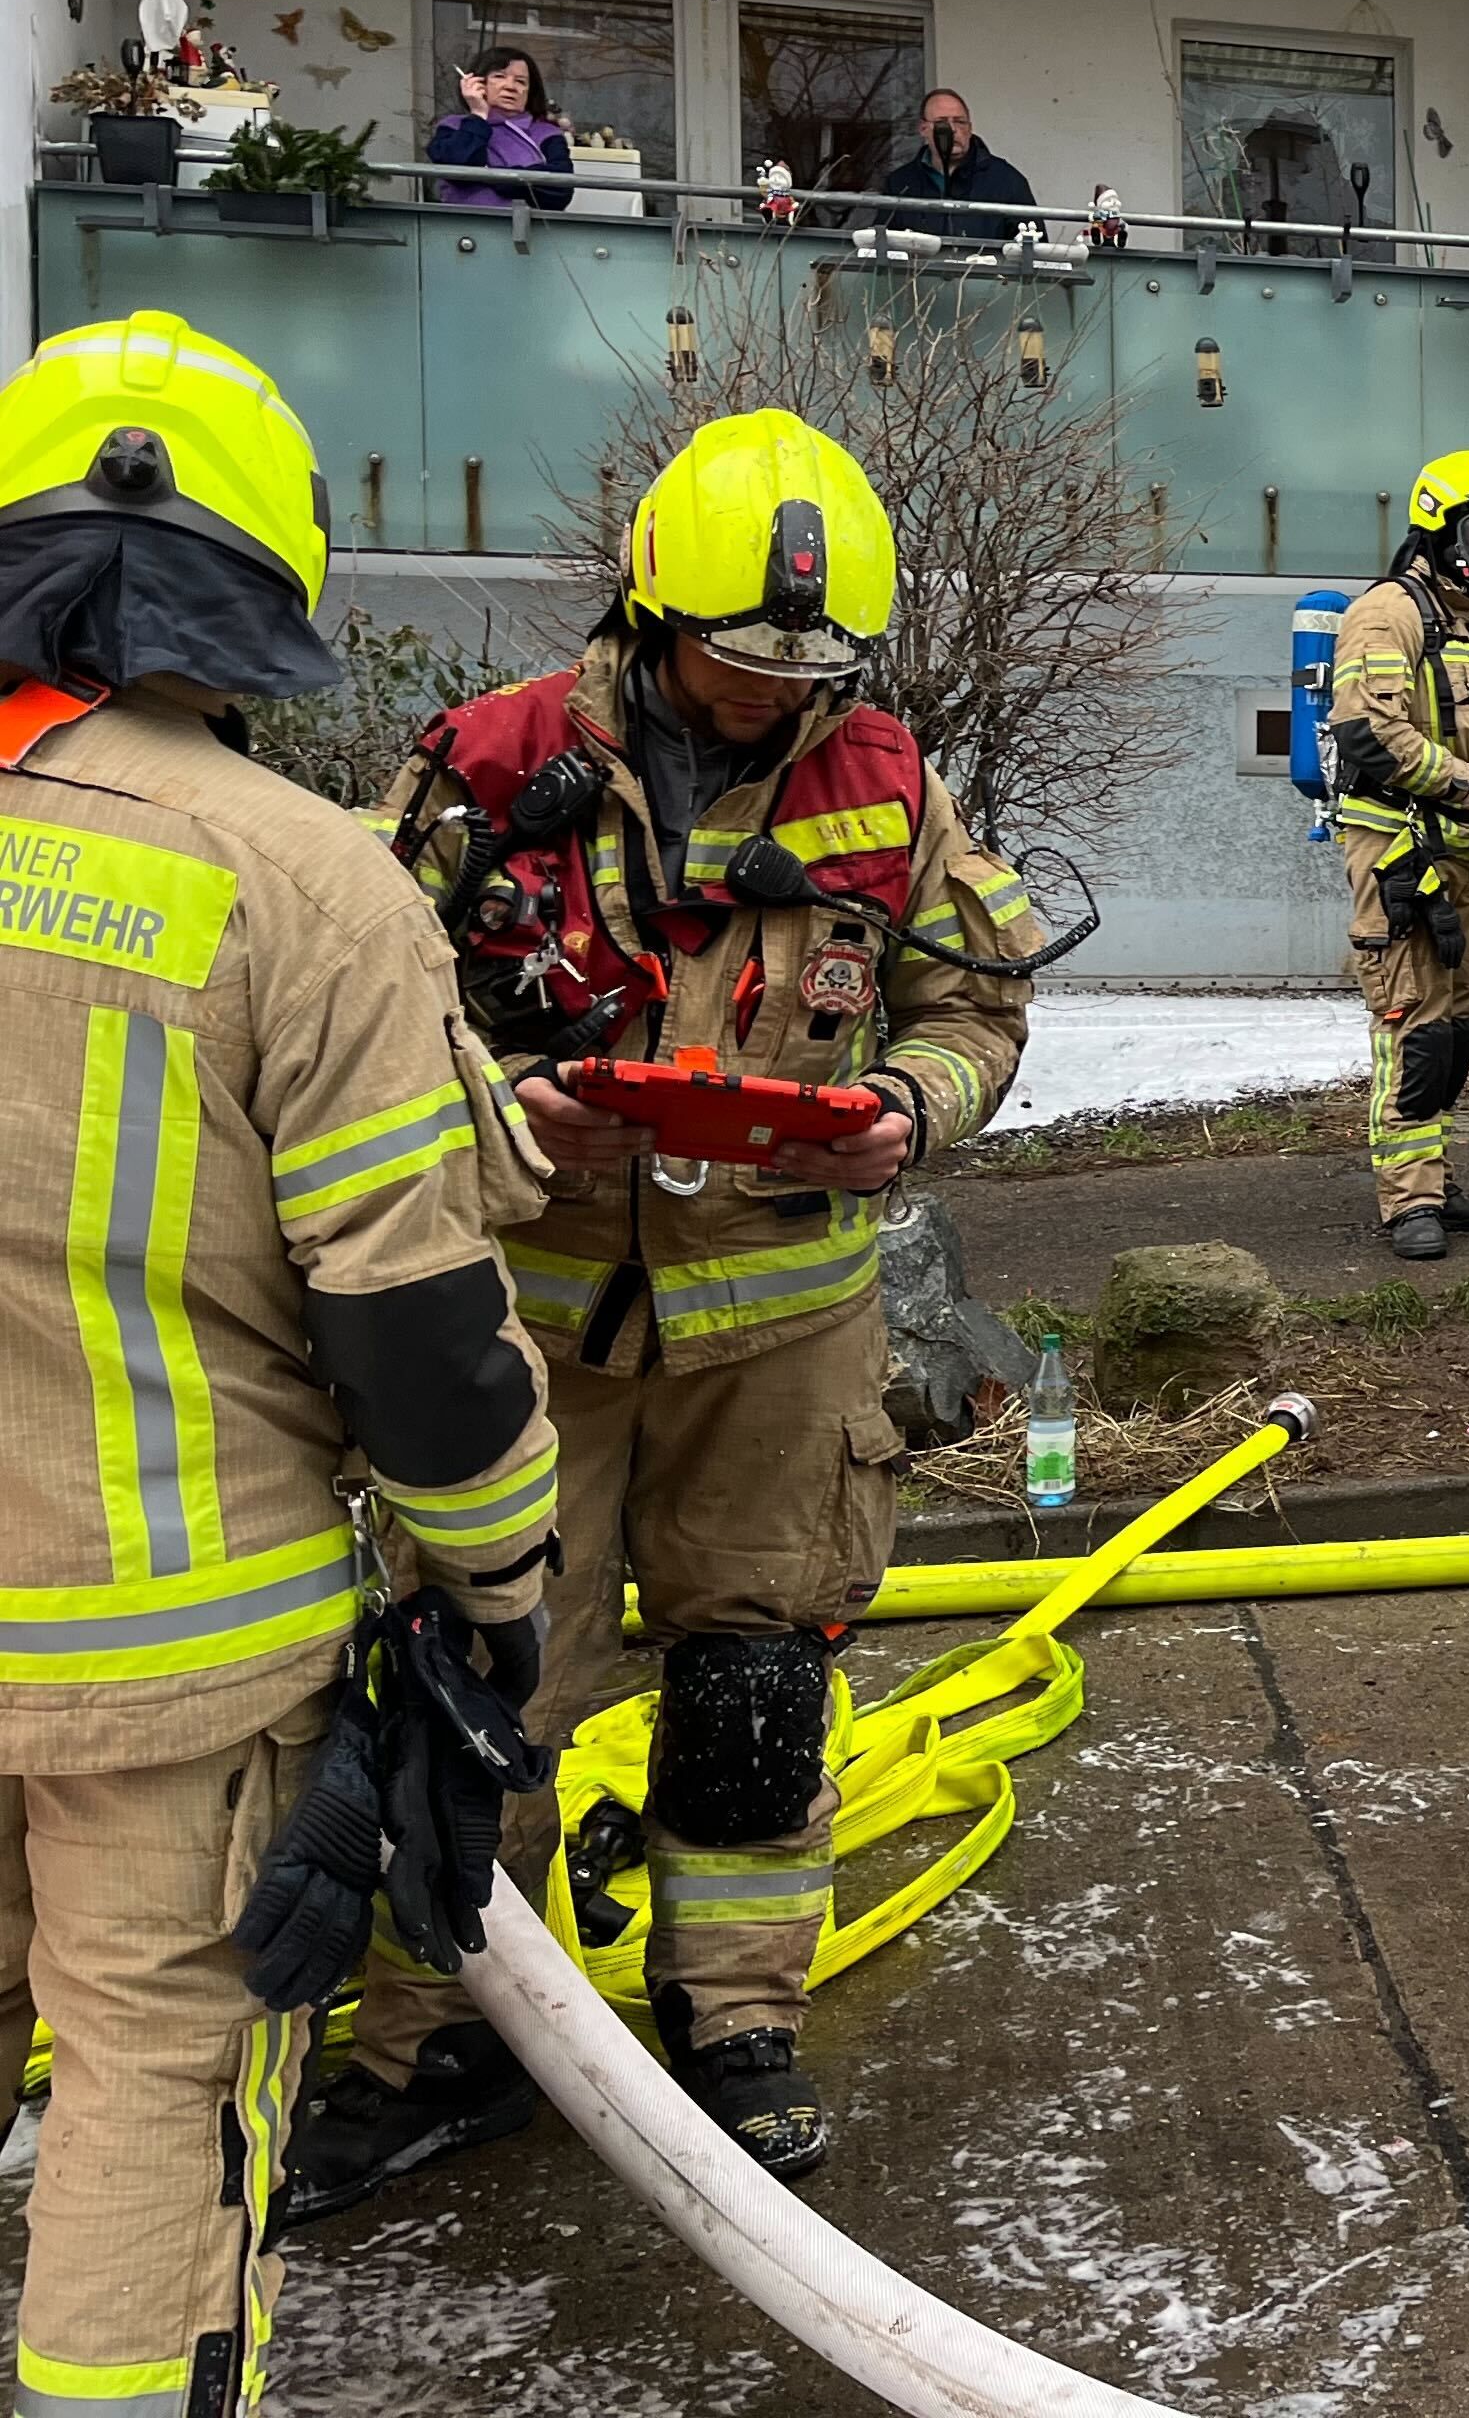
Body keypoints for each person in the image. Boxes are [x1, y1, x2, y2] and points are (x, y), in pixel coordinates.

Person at [293, 406, 1049, 2214]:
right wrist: (501, 1099)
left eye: (807, 660)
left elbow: (982, 1005)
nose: (766, 691)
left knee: (757, 1689)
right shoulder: (482, 771)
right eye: (736, 652)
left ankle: (732, 2028)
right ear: (648, 608)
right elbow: (340, 1011)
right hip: (525, 1330)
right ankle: (443, 2044)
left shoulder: (883, 774)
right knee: (477, 1695)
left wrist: (912, 1109)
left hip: (786, 1339)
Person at [0, 309, 560, 2402]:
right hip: (168, 1675)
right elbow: (418, 1338)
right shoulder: (302, 884)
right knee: (151, 2103)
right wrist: (493, 1608)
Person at [1327, 450, 1469, 1259]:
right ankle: (1406, 1200)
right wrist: (1462, 781)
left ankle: (1435, 1177)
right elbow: (1368, 730)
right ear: (1440, 528)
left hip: (1467, 855)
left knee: (1457, 1021)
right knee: (1412, 1023)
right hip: (1400, 852)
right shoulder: (1391, 612)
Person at [426, 44, 578, 212]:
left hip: (531, 231)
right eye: (499, 76)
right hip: (465, 230)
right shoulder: (453, 126)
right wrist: (478, 114)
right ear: (478, 82)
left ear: (530, 92)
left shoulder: (546, 134)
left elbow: (560, 190)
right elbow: (458, 169)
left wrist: (492, 177)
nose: (510, 86)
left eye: (520, 81)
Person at [871, 89, 1038, 238]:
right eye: (942, 122)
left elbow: (1033, 251)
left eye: (960, 122)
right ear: (923, 129)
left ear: (970, 128)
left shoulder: (1006, 181)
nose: (952, 129)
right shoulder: (901, 183)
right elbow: (882, 247)